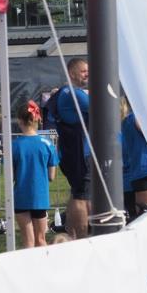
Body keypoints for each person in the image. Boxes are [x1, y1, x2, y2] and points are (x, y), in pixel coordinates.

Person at [12, 101, 59, 248]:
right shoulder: (47, 144)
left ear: (20, 120)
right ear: (37, 119)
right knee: (41, 239)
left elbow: (11, 176)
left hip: (21, 197)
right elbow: (51, 176)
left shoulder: (14, 145)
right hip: (40, 197)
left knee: (28, 240)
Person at [54, 58, 91, 238]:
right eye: (84, 71)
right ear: (71, 73)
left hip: (76, 152)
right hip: (79, 153)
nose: (88, 74)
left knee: (79, 193)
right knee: (81, 195)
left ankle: (72, 234)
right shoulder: (73, 93)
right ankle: (81, 236)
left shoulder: (69, 92)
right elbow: (100, 106)